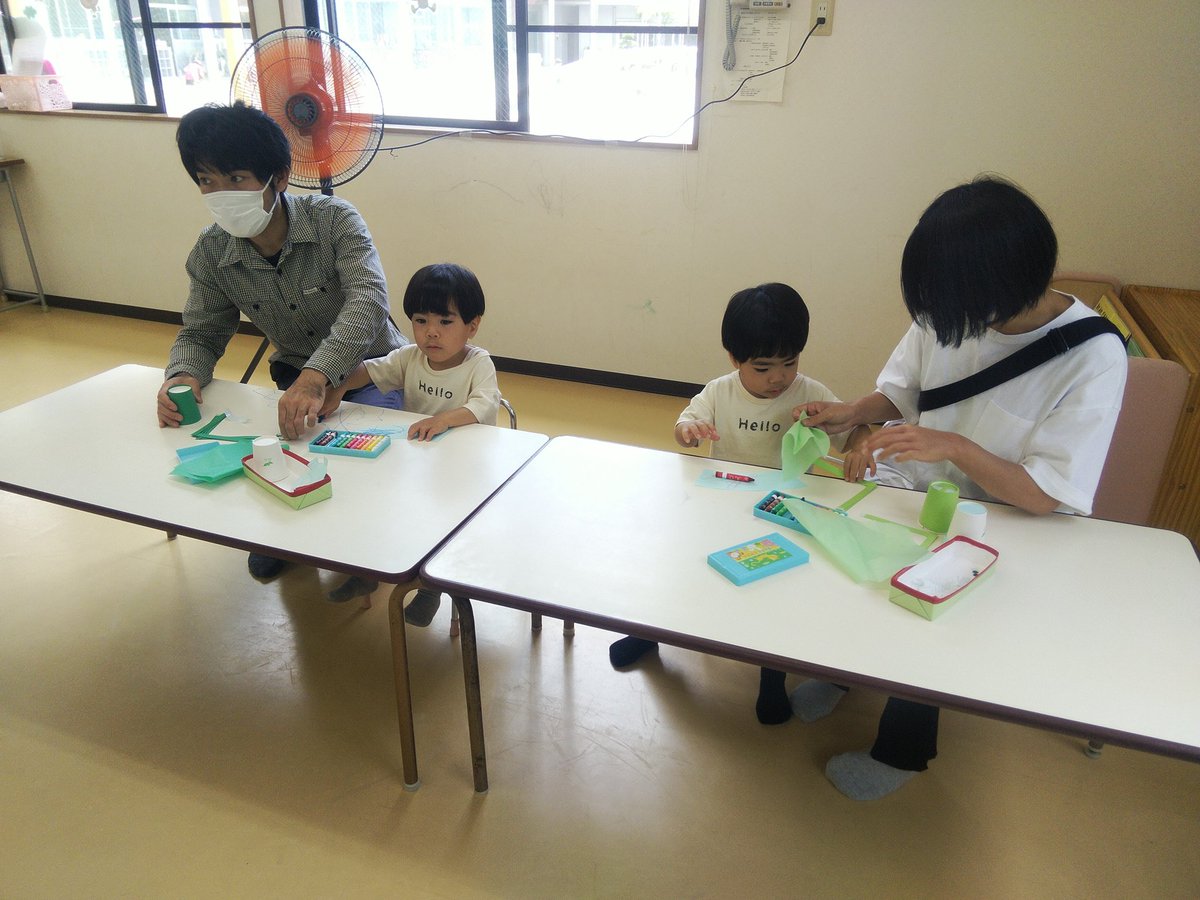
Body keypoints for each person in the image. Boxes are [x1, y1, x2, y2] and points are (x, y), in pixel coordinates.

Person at [796, 175, 1128, 800]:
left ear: (1005, 288)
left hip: (998, 519)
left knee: (924, 612)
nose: (938, 321)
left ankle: (904, 751)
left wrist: (954, 447)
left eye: (948, 308)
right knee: (844, 553)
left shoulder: (1092, 358)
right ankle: (843, 675)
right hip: (915, 486)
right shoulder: (953, 306)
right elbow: (905, 388)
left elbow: (1047, 494)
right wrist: (851, 413)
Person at [157, 101, 409, 581]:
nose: (220, 193)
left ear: (280, 177)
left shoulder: (335, 220)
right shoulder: (212, 250)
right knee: (280, 450)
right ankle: (286, 534)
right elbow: (203, 329)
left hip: (375, 366)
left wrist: (319, 377)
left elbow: (367, 301)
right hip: (294, 371)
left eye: (236, 178)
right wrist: (183, 375)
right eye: (207, 181)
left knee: (371, 459)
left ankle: (367, 543)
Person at [607, 283, 872, 724]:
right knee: (684, 567)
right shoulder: (720, 392)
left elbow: (856, 426)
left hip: (783, 509)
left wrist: (861, 447)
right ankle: (647, 631)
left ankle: (772, 677)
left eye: (789, 363)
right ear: (735, 358)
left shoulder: (810, 393)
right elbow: (684, 423)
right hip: (722, 502)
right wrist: (689, 433)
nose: (778, 378)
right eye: (763, 366)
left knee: (775, 592)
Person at [320, 263, 501, 624]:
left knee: (441, 521)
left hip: (464, 470)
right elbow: (372, 370)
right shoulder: (410, 357)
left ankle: (431, 589)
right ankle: (367, 572)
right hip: (421, 460)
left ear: (473, 325)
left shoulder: (478, 363)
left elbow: (485, 403)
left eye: (445, 322)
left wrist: (443, 419)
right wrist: (337, 386)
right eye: (421, 321)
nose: (431, 333)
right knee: (383, 503)